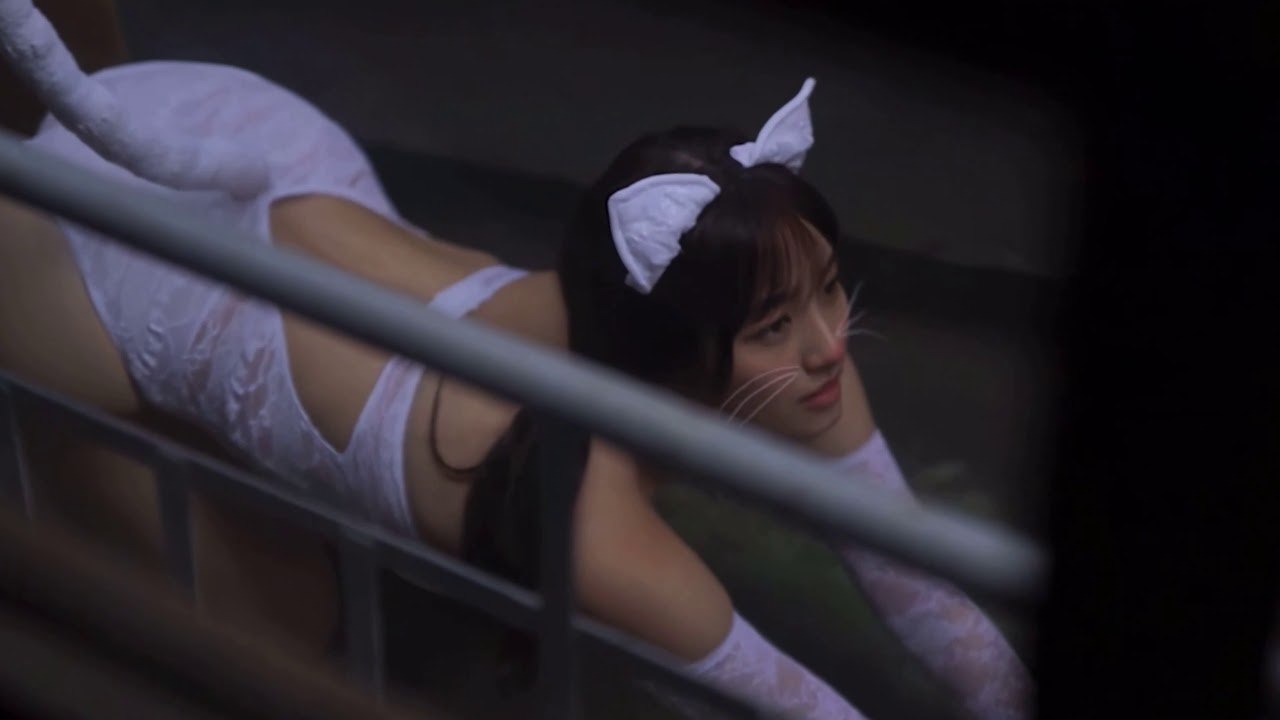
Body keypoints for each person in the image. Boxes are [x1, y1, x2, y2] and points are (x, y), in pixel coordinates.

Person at [0, 1, 1030, 717]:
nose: (828, 344)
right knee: (274, 624)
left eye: (830, 285)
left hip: (255, 141)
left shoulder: (773, 331)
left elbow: (930, 595)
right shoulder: (593, 531)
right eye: (773, 326)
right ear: (665, 352)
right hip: (82, 263)